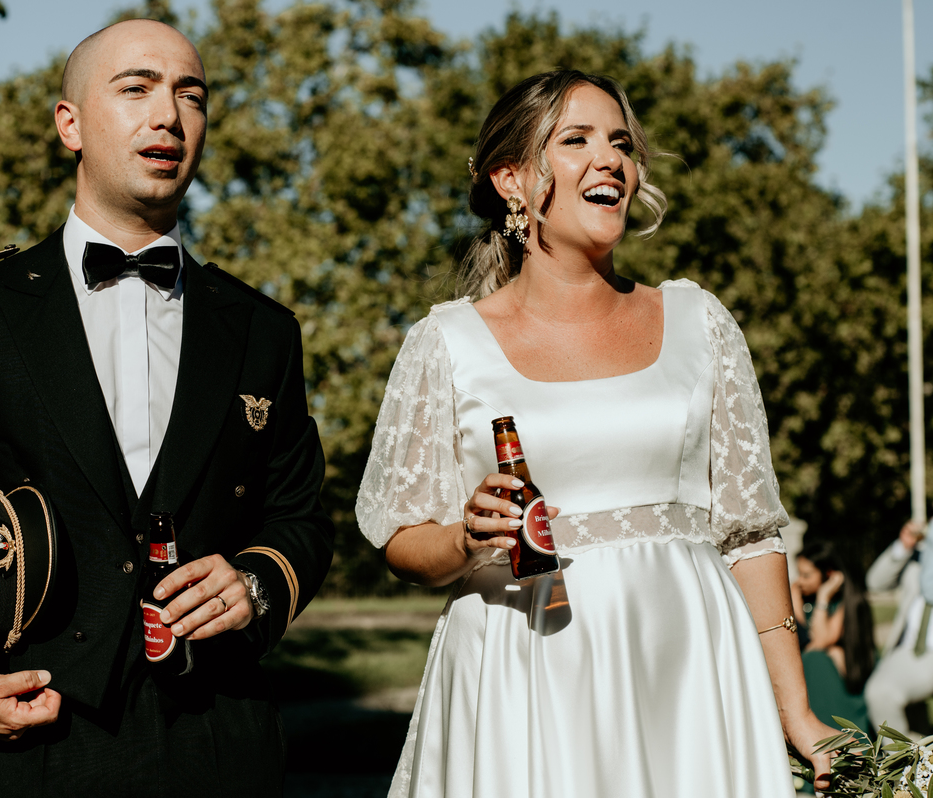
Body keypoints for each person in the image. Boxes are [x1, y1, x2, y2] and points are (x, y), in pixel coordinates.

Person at [0, 19, 334, 796]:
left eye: (192, 95)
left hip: (220, 742)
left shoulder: (262, 331)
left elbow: (300, 518)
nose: (169, 116)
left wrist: (255, 584)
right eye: (136, 88)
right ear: (69, 124)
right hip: (32, 738)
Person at [356, 69, 837, 797]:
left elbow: (751, 536)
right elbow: (400, 536)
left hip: (686, 665)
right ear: (512, 180)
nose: (609, 159)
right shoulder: (446, 342)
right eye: (575, 140)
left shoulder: (698, 323)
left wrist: (796, 710)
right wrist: (465, 537)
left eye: (620, 142)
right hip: (522, 665)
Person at [790, 540, 874, 735]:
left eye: (807, 575)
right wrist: (794, 599)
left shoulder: (849, 602)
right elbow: (801, 636)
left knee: (815, 658)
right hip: (813, 680)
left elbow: (819, 642)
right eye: (799, 573)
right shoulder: (802, 598)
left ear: (828, 574)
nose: (800, 581)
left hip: (844, 683)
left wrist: (823, 597)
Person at [864, 520, 932, 737]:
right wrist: (903, 547)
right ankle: (906, 762)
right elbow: (875, 582)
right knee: (881, 693)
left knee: (882, 693)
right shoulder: (920, 556)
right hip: (909, 649)